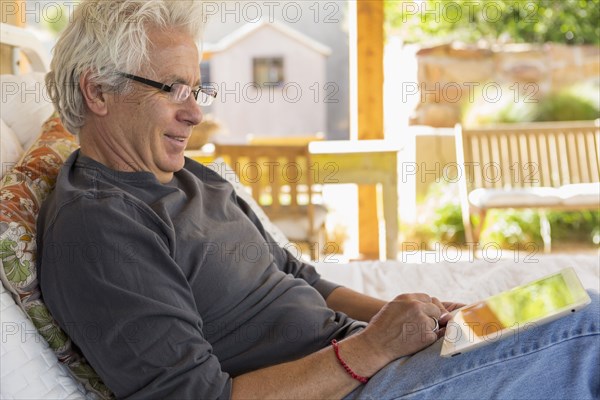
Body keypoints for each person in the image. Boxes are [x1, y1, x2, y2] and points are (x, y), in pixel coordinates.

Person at [38, 1, 599, 399]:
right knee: (590, 332)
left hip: (365, 360)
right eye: (174, 90)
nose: (195, 111)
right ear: (98, 90)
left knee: (572, 301)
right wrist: (373, 349)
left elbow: (296, 271)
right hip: (358, 385)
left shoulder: (191, 177)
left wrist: (402, 319)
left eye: (197, 88)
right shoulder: (100, 226)